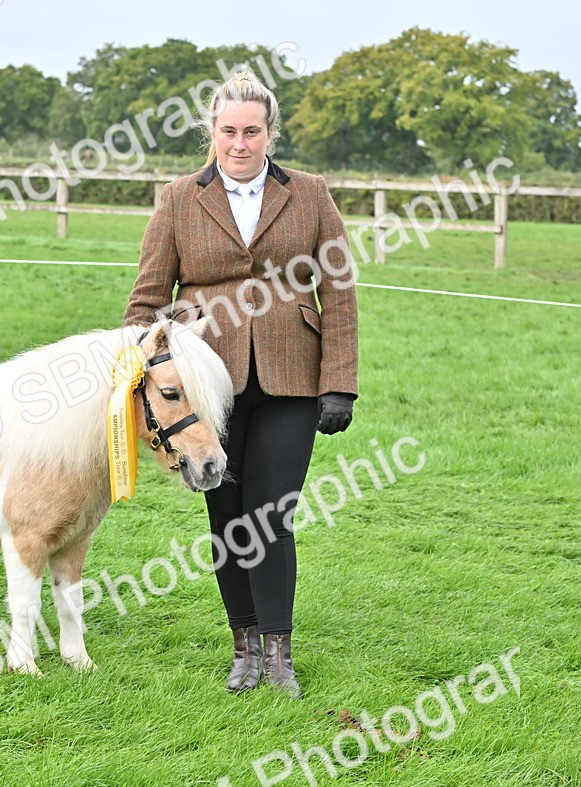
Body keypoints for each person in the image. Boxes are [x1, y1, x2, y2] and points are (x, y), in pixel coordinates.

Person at [123, 71, 359, 698]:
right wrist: (142, 375)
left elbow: (338, 289)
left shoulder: (310, 194)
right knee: (227, 518)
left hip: (291, 380)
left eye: (252, 131)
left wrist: (339, 383)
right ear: (213, 132)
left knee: (270, 515)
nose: (239, 143)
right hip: (206, 389)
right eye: (228, 130)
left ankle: (279, 653)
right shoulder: (179, 199)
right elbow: (146, 302)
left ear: (270, 133)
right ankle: (244, 648)